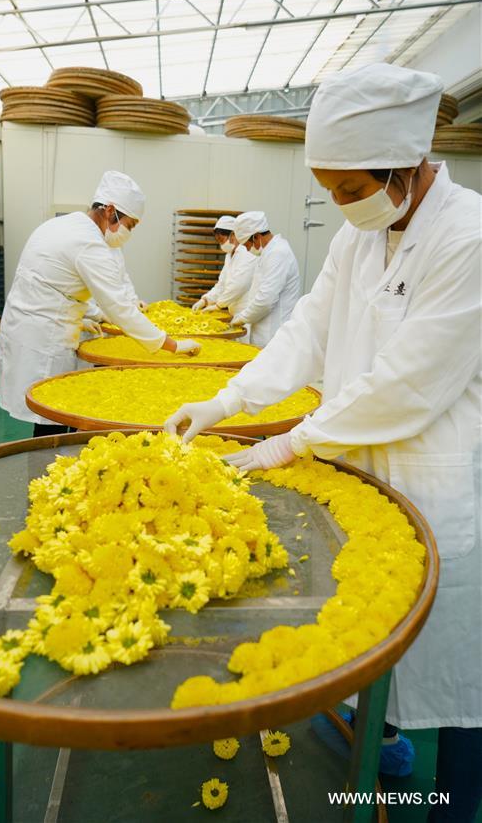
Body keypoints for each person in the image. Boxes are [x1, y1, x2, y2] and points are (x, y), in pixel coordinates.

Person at [165, 64, 482, 822]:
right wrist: (229, 398)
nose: (341, 206)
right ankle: (380, 751)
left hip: (431, 468)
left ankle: (457, 801)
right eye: (330, 190)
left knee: (451, 659)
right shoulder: (357, 236)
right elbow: (307, 329)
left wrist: (292, 441)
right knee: (364, 630)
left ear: (403, 169)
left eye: (349, 189)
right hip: (356, 460)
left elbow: (411, 380)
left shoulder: (468, 237)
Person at [0, 170, 200, 436]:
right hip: (43, 336)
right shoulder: (88, 242)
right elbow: (120, 308)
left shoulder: (63, 225)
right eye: (130, 224)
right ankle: (49, 472)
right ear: (110, 210)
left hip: (31, 325)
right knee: (51, 416)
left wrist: (91, 314)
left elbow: (59, 285)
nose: (128, 231)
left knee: (54, 408)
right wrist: (170, 345)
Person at [230, 211, 301, 347]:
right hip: (263, 332)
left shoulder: (278, 254)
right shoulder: (267, 253)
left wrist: (241, 318)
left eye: (247, 245)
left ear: (256, 237)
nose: (248, 249)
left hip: (273, 334)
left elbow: (265, 300)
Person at [192, 216, 256, 318]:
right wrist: (205, 300)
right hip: (235, 311)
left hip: (247, 310)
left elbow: (239, 285)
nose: (221, 244)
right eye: (218, 241)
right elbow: (222, 284)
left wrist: (218, 305)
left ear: (233, 234)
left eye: (222, 239)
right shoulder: (229, 255)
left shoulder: (246, 253)